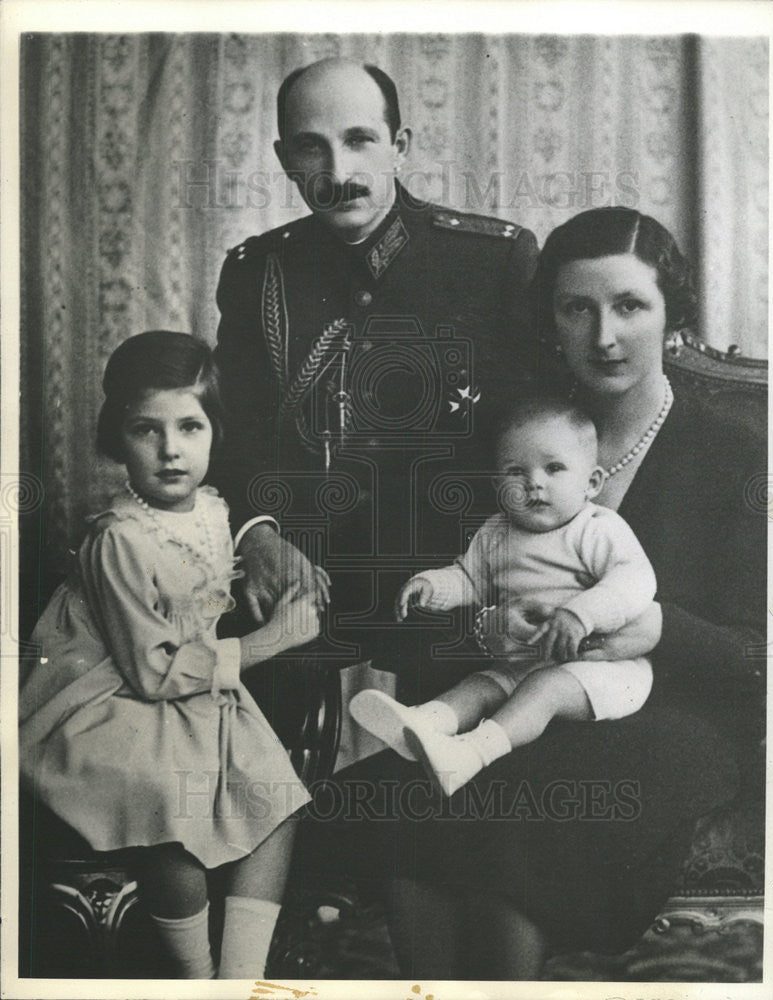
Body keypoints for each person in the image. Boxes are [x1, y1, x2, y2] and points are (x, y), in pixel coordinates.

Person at [298, 206, 766, 979]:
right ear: (549, 319)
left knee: (517, 814)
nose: (603, 337)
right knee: (414, 801)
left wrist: (657, 628)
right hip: (513, 695)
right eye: (576, 309)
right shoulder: (512, 437)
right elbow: (433, 601)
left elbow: (757, 654)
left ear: (671, 317)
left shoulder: (729, 450)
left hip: (669, 718)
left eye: (628, 307)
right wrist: (487, 624)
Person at [211, 57, 540, 711]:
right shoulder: (257, 272)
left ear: (399, 145)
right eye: (312, 147)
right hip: (301, 584)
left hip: (450, 586)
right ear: (283, 159)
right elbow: (231, 430)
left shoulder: (492, 260)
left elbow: (538, 433)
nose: (337, 174)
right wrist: (258, 536)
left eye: (359, 140)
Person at [19, 331, 321, 980]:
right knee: (170, 815)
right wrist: (272, 639)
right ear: (115, 441)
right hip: (106, 700)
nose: (170, 450)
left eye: (189, 426)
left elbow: (202, 602)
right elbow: (152, 671)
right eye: (144, 430)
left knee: (281, 804)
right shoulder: (119, 539)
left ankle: (240, 979)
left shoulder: (212, 510)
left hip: (194, 689)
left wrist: (287, 595)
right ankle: (196, 978)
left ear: (215, 433)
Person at [349, 394, 656, 796]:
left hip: (602, 670)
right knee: (479, 685)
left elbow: (635, 579)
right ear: (498, 485)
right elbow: (468, 578)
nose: (534, 483)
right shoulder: (496, 533)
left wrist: (580, 615)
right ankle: (422, 726)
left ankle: (471, 752)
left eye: (554, 468)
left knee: (541, 691)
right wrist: (431, 586)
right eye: (516, 471)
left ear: (593, 482)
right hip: (526, 661)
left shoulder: (596, 527)